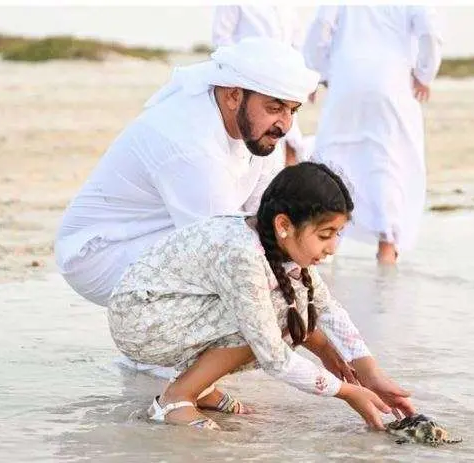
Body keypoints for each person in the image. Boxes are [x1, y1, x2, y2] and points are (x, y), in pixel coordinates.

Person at [56, 37, 355, 383]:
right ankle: (163, 360)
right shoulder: (190, 146)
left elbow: (273, 227)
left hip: (160, 236)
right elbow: (226, 253)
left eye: (293, 110)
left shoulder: (258, 132)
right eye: (275, 108)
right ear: (233, 95)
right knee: (252, 286)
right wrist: (321, 351)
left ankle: (170, 358)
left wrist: (351, 352)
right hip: (99, 255)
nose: (285, 125)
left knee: (267, 277)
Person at [108, 162, 416, 430]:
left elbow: (327, 309)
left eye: (338, 234)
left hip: (172, 310)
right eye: (324, 235)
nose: (333, 247)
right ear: (284, 224)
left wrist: (371, 374)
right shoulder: (243, 255)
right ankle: (176, 399)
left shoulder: (276, 245)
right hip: (141, 320)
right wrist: (346, 392)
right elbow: (274, 357)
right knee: (277, 313)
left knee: (290, 302)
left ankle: (201, 386)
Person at [303, 6, 442, 264]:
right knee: (388, 160)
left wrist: (318, 72)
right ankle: (387, 247)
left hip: (346, 77)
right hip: (392, 80)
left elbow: (321, 24)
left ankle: (325, 244)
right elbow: (430, 31)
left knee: (333, 156)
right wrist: (425, 73)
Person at [212, 5, 311, 165]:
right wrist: (248, 71)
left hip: (285, 85)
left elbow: (297, 44)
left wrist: (300, 79)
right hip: (251, 85)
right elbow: (221, 39)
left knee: (289, 140)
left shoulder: (288, 7)